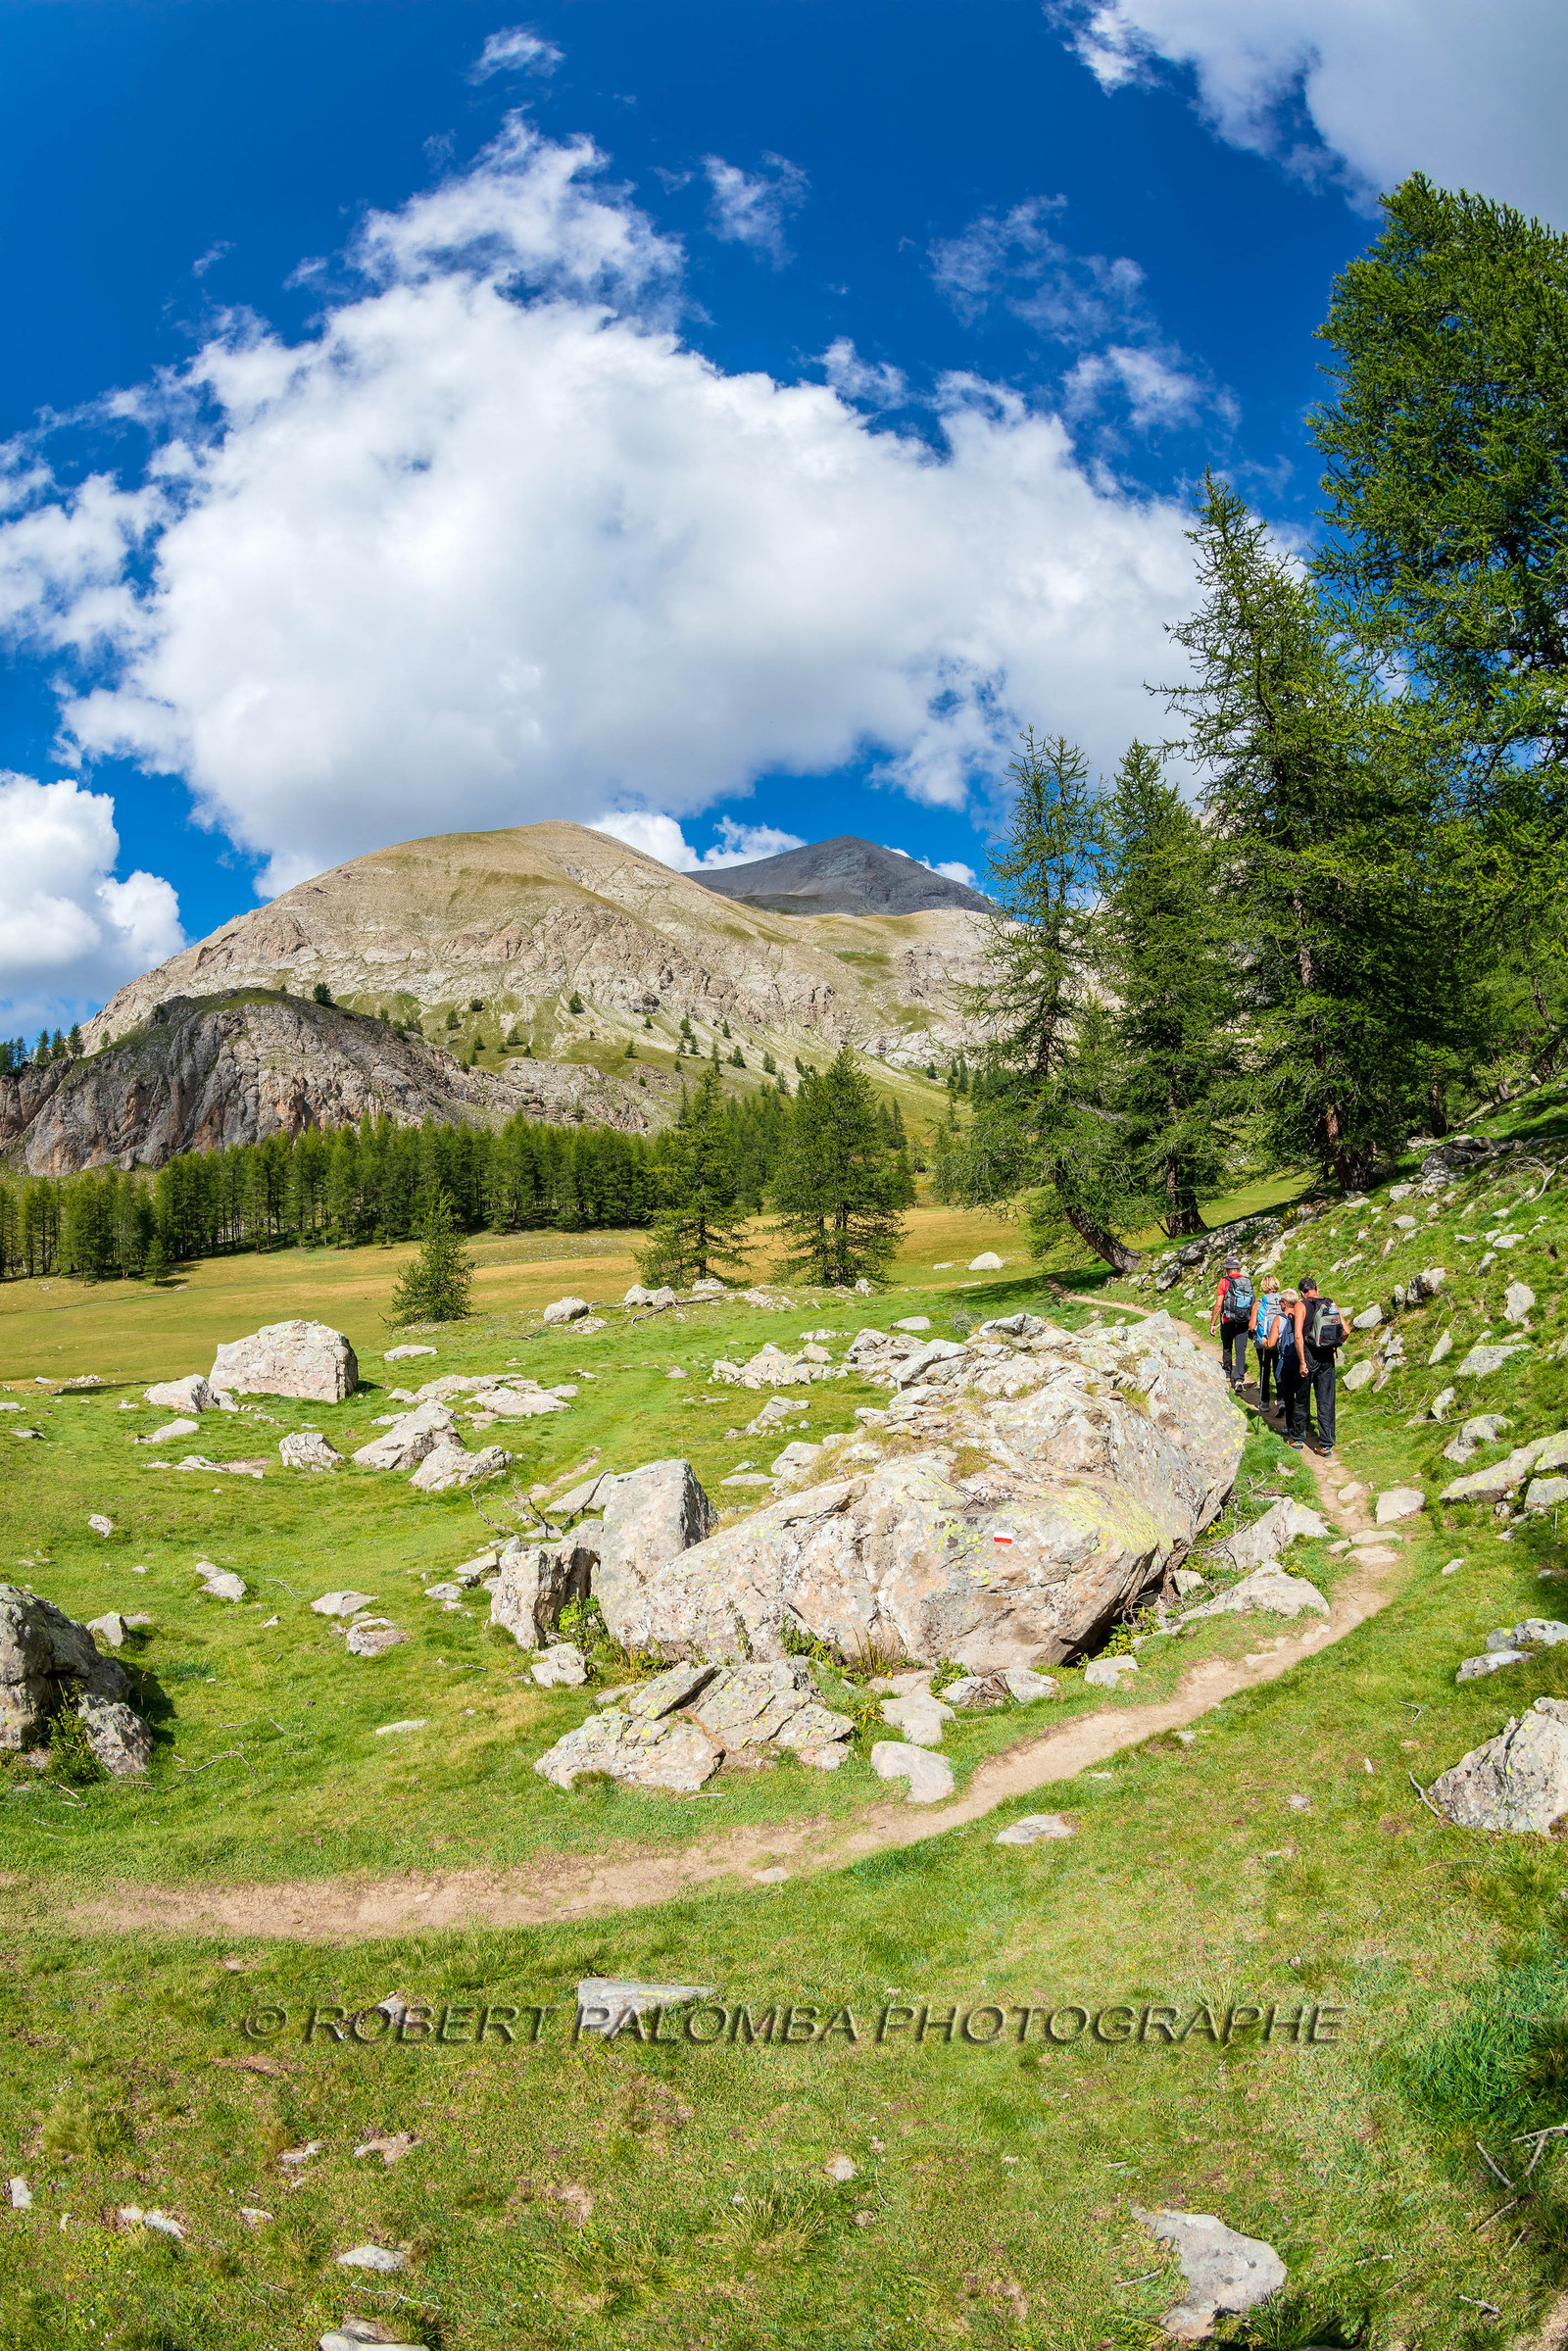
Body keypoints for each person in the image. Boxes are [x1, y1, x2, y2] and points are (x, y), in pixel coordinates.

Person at [1294, 1277, 1345, 1455]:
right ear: (1317, 1289)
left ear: (1302, 1292)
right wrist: (1332, 1346)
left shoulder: (1301, 1305)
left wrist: (1301, 1362)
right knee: (1326, 1400)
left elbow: (1298, 1335)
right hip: (1327, 1358)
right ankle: (1326, 1444)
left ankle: (1298, 1438)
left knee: (1302, 1398)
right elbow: (1345, 1331)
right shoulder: (1330, 1303)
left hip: (1308, 1357)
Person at [1209, 1253, 1254, 1392]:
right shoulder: (1246, 1281)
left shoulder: (1224, 1282)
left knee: (1227, 1346)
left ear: (1227, 1268)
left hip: (1227, 1320)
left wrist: (1212, 1323)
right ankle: (1239, 1379)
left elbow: (1218, 1304)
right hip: (1243, 1321)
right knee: (1240, 1351)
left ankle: (1227, 1372)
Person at [1274, 1290, 1303, 1444]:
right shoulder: (1301, 1315)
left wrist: (1265, 1342)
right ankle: (1302, 1426)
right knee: (1301, 1395)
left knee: (1289, 1396)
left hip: (1287, 1360)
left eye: (1280, 1302)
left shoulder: (1280, 1318)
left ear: (1284, 1304)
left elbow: (1272, 1343)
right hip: (1301, 1359)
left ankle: (1292, 1428)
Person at [1251, 1286, 1283, 1412]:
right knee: (1278, 1369)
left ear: (1264, 1287)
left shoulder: (1259, 1304)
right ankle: (1281, 1400)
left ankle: (1264, 1402)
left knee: (1264, 1369)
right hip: (1278, 1342)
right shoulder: (1283, 1301)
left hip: (1263, 1342)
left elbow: (1252, 1325)